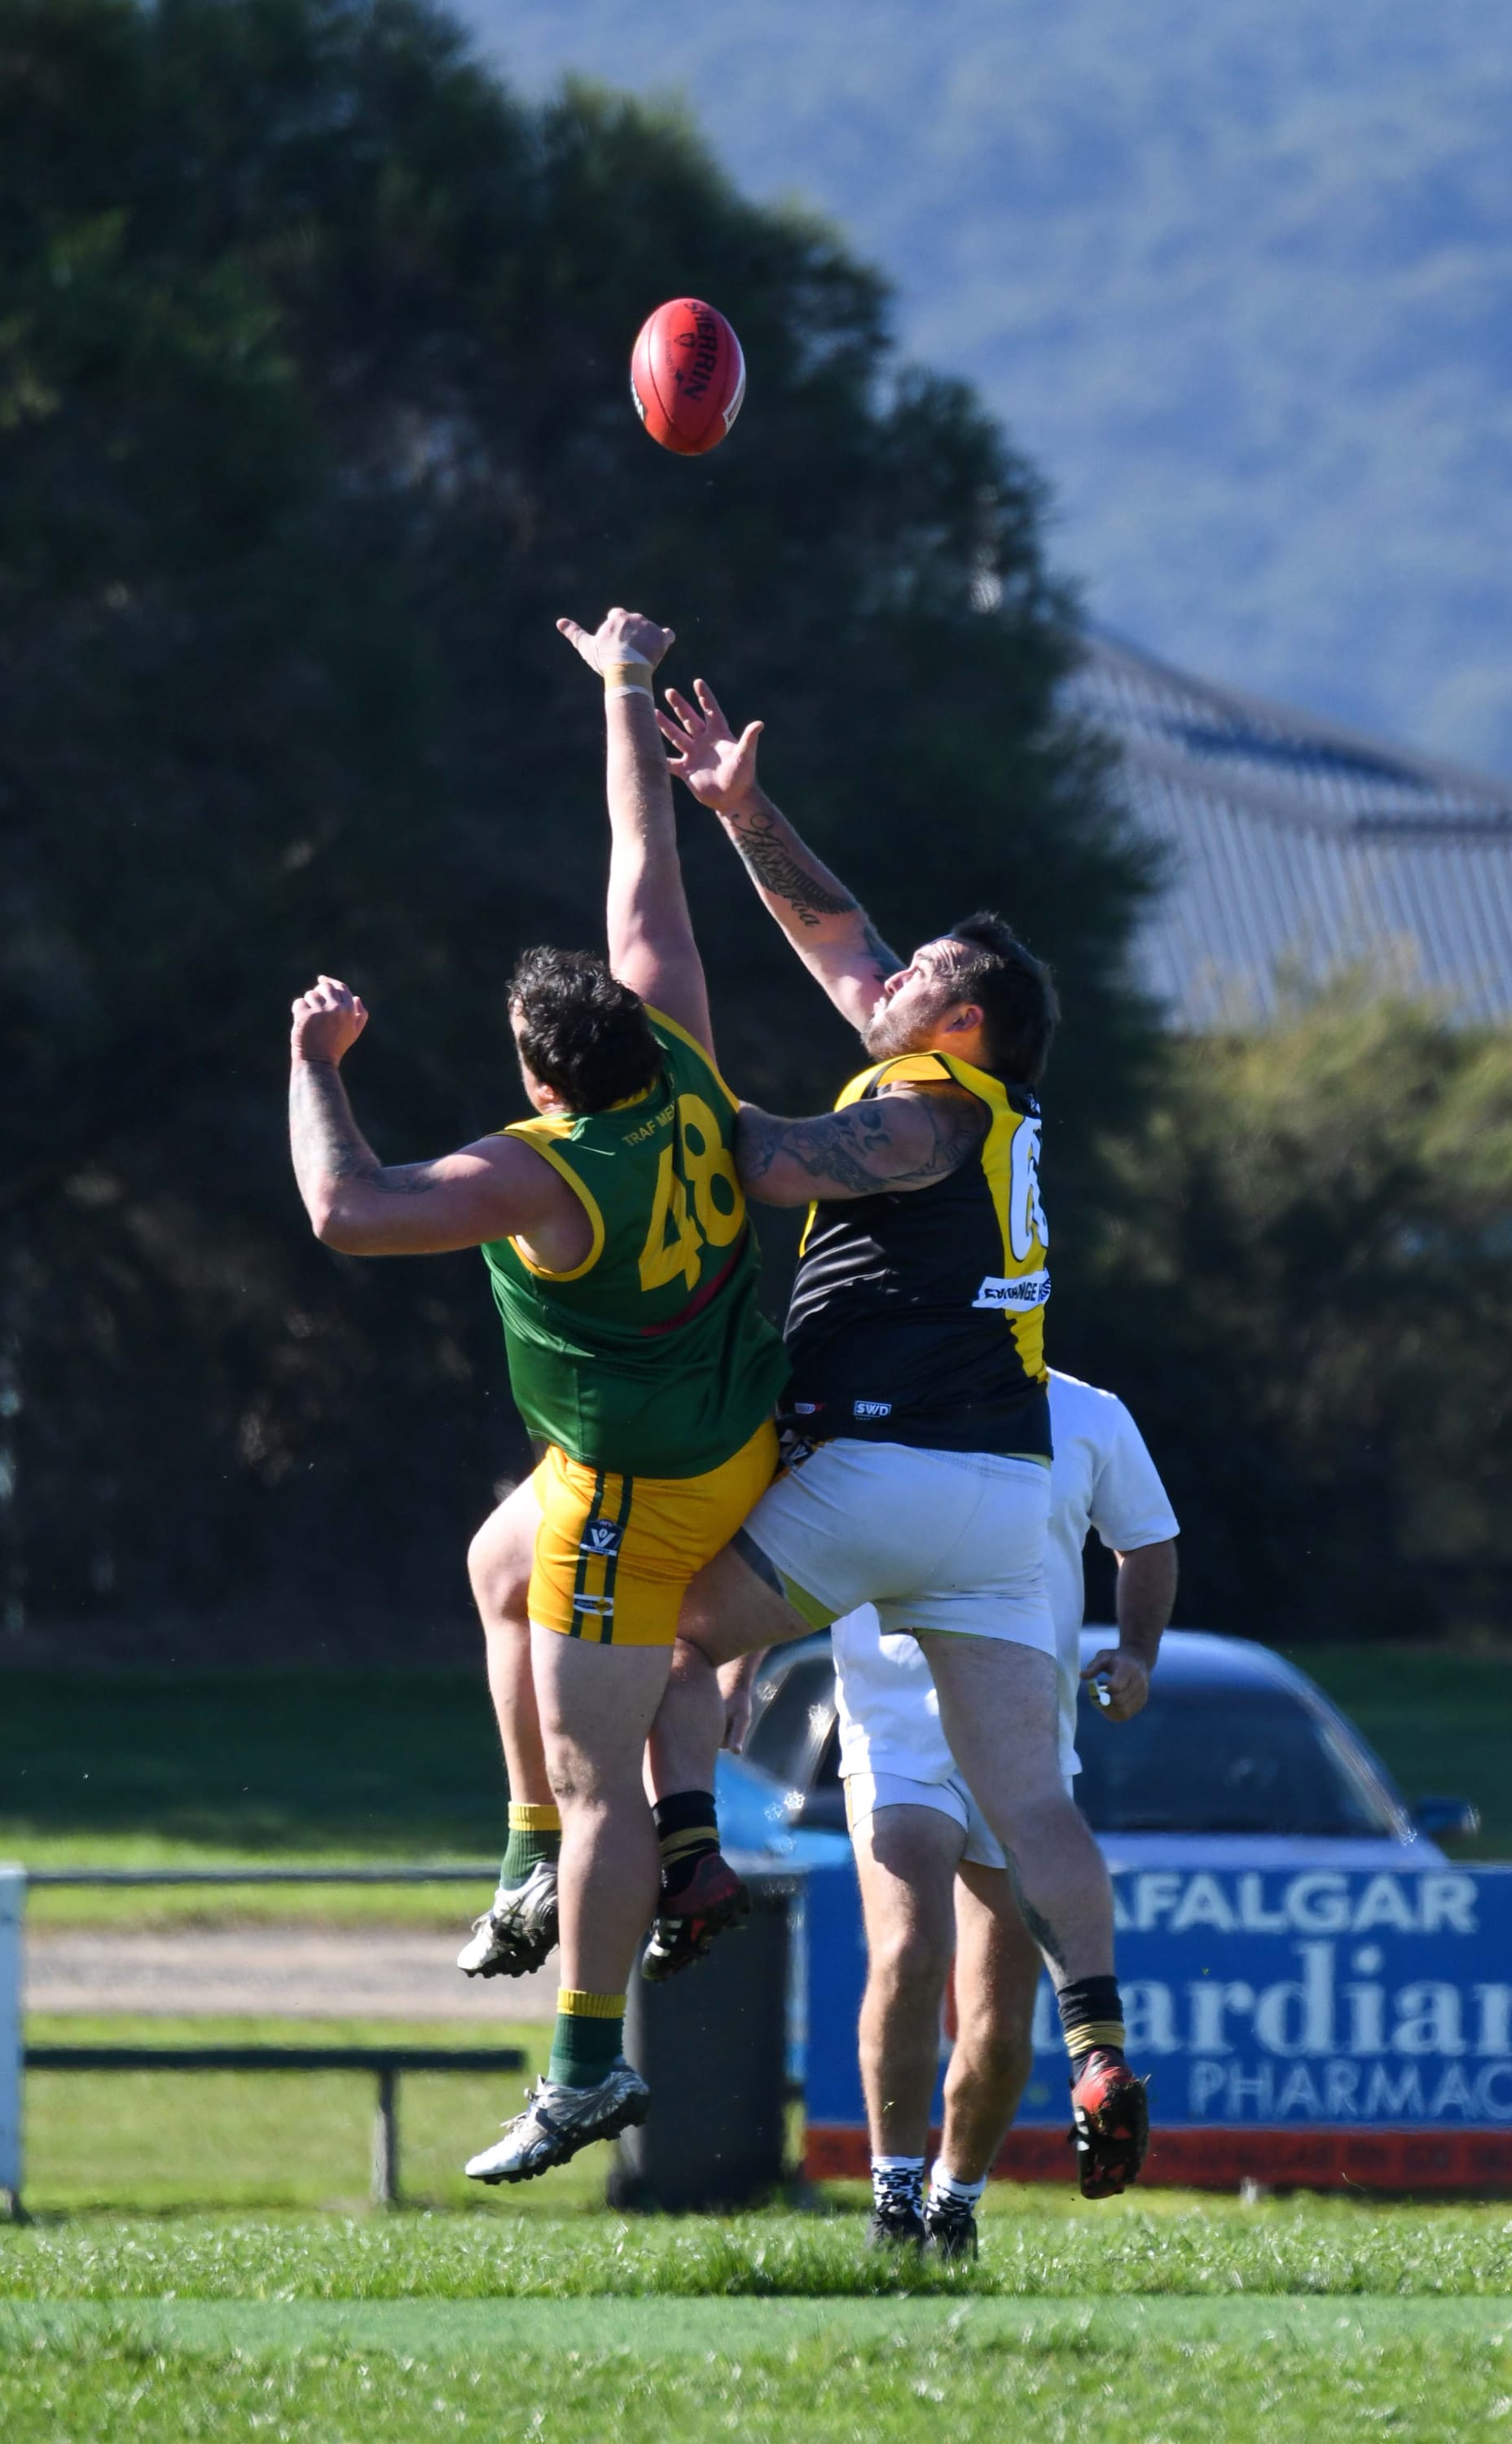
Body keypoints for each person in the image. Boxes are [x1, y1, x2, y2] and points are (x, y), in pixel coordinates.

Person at [287, 608, 789, 2183]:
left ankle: (582, 2070)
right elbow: (645, 877)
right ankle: (524, 1861)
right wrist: (625, 690)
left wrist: (317, 1062)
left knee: (599, 1790)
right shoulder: (688, 1064)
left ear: (545, 1075)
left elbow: (348, 1211)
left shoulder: (540, 1171)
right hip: (727, 1441)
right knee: (488, 1568)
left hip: (630, 1499)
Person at [646, 678, 1154, 2200]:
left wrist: (651, 1101)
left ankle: (685, 1863)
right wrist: (742, 815)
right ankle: (1103, 2039)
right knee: (1036, 1800)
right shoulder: (978, 1101)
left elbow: (777, 1167)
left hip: (883, 1471)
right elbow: (838, 935)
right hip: (1003, 1498)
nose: (887, 980)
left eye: (920, 977)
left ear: (965, 1021)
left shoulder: (928, 1109)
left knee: (666, 1635)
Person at [832, 1369, 1178, 2257]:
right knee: (907, 1954)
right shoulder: (856, 1386)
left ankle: (954, 2200)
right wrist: (729, 1669)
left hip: (1020, 1743)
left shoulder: (1088, 1412)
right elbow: (773, 1534)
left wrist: (1135, 1652)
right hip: (896, 1734)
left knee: (995, 2021)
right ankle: (892, 2200)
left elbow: (1144, 1539)